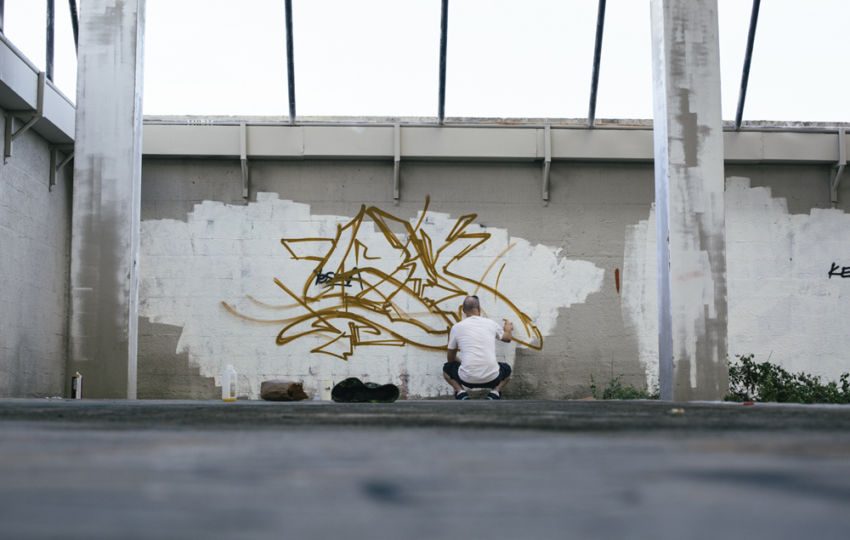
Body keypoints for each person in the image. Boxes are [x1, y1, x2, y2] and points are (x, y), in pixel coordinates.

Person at [443, 295, 514, 400]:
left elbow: (450, 359)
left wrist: (464, 364)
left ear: (463, 310)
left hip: (466, 380)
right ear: (479, 309)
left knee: (447, 369)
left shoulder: (456, 327)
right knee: (507, 370)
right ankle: (495, 392)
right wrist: (507, 329)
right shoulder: (491, 324)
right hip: (492, 378)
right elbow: (508, 338)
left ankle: (461, 392)